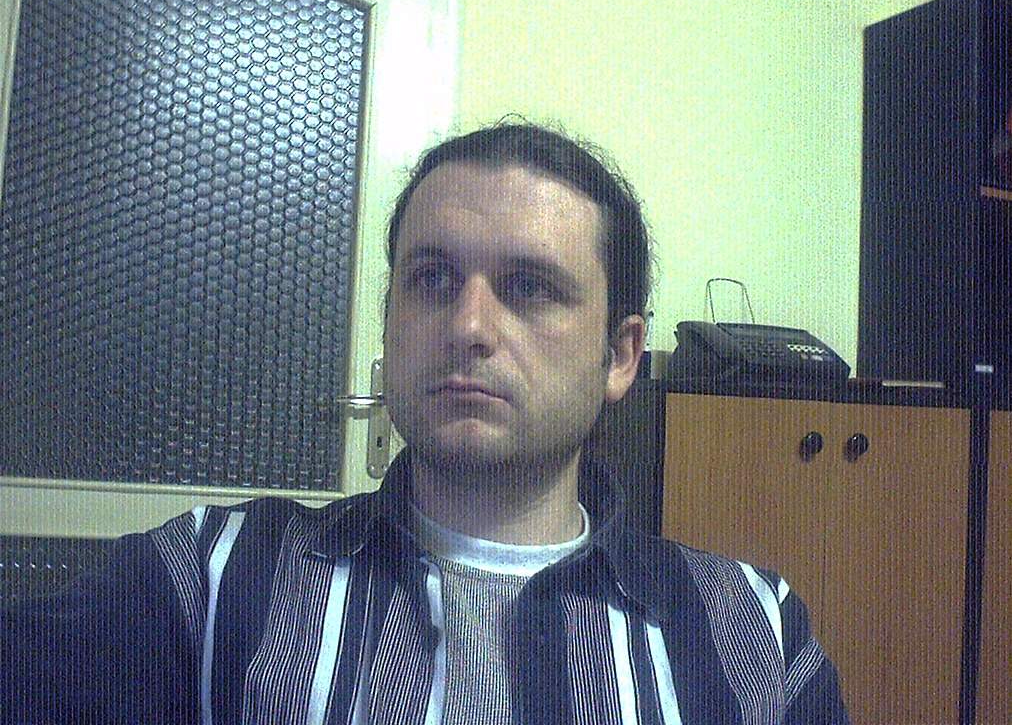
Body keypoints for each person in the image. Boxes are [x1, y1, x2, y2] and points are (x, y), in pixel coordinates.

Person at [0, 122, 850, 724]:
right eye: (433, 279)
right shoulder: (210, 578)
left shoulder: (752, 628)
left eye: (530, 287)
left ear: (621, 356)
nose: (468, 325)